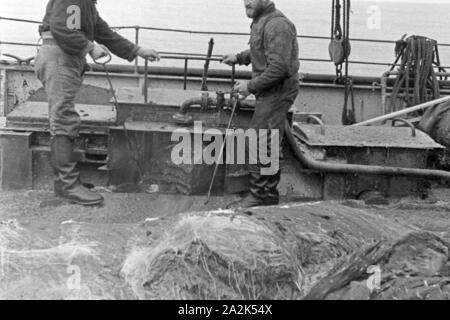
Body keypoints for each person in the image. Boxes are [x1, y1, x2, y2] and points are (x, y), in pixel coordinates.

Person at [35, 0, 160, 206]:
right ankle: (67, 185)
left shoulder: (87, 5)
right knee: (63, 120)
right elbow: (61, 28)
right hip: (59, 58)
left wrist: (137, 50)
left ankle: (69, 182)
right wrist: (89, 47)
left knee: (64, 119)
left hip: (66, 58)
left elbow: (102, 32)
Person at [222, 0, 300, 208]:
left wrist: (250, 86)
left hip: (278, 90)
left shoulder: (277, 25)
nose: (247, 1)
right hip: (269, 89)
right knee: (266, 139)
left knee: (260, 140)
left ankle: (260, 195)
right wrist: (239, 57)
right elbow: (261, 50)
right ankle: (266, 194)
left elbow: (279, 68)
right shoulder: (261, 20)